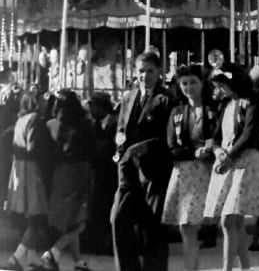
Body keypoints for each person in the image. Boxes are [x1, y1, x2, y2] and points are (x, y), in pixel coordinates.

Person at [110, 51, 175, 271]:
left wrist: (146, 147)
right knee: (118, 218)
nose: (145, 76)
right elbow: (120, 127)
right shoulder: (128, 97)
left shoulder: (166, 99)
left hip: (154, 169)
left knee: (153, 227)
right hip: (128, 169)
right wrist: (119, 145)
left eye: (150, 71)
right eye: (141, 71)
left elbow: (169, 139)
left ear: (159, 72)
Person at [203, 62, 259, 271]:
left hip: (245, 160)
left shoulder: (253, 101)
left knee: (229, 219)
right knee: (235, 221)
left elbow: (250, 132)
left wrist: (229, 154)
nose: (220, 90)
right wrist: (217, 151)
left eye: (222, 85)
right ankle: (245, 267)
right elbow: (216, 136)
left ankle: (227, 269)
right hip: (228, 160)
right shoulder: (226, 105)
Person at [162, 64, 217, 271]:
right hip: (184, 170)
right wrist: (191, 153)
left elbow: (221, 136)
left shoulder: (214, 110)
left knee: (203, 222)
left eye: (193, 82)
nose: (188, 87)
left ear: (203, 84)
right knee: (186, 224)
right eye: (184, 83)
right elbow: (171, 144)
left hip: (207, 169)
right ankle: (191, 267)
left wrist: (210, 151)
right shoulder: (177, 112)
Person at [39, 90, 96, 271]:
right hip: (79, 171)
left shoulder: (50, 125)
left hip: (59, 173)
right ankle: (53, 252)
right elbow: (92, 149)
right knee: (80, 221)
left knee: (66, 220)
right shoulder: (85, 124)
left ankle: (78, 261)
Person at [5, 90, 54, 271]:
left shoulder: (20, 120)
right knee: (37, 216)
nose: (44, 104)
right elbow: (34, 147)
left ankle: (32, 258)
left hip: (20, 168)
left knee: (32, 216)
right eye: (41, 100)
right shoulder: (36, 119)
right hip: (32, 170)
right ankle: (17, 257)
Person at [82, 92, 117, 256]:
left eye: (93, 106)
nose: (91, 109)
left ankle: (109, 243)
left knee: (108, 207)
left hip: (110, 173)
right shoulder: (93, 124)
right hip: (97, 173)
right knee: (97, 208)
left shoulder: (114, 123)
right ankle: (96, 242)